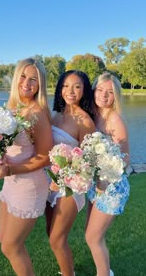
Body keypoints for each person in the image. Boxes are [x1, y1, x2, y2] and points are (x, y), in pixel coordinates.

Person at [0, 58, 53, 276]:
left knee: (11, 246)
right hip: (11, 182)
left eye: (34, 79)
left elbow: (46, 157)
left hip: (29, 186)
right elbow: (6, 147)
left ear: (40, 85)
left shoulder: (37, 114)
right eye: (23, 77)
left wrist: (10, 169)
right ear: (16, 78)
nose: (27, 83)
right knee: (3, 240)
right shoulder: (14, 108)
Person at [45, 70, 96, 276]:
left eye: (77, 86)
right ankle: (68, 269)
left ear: (84, 90)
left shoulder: (85, 122)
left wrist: (63, 179)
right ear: (59, 89)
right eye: (66, 86)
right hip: (49, 182)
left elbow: (89, 162)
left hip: (70, 187)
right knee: (51, 233)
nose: (70, 91)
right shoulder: (55, 115)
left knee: (57, 238)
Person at [85, 72, 130, 276]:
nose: (104, 95)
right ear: (94, 90)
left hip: (112, 187)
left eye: (110, 92)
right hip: (96, 184)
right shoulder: (91, 115)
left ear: (116, 97)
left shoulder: (115, 120)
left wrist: (105, 180)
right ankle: (103, 270)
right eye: (100, 90)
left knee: (93, 238)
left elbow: (125, 158)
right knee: (92, 235)